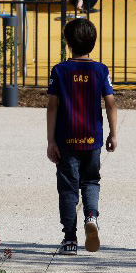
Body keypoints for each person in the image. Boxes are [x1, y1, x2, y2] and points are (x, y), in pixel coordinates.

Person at [47, 18, 118, 256]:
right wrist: (113, 134)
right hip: (92, 138)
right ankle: (91, 216)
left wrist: (51, 140)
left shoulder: (59, 71)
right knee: (91, 181)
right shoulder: (100, 70)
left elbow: (52, 107)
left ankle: (69, 238)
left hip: (66, 139)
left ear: (67, 42)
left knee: (68, 188)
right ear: (93, 43)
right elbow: (110, 104)